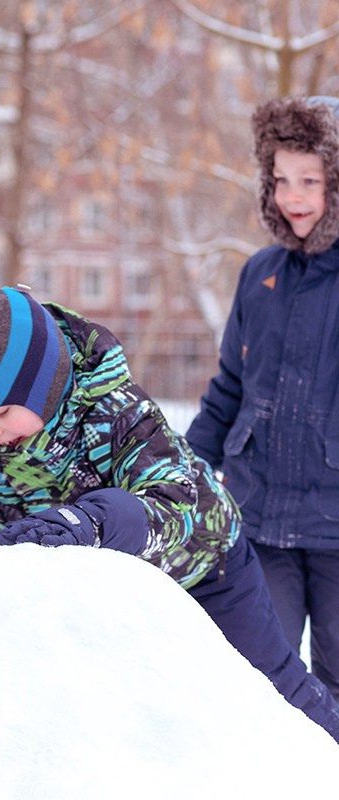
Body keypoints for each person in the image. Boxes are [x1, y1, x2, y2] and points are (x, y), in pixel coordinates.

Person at [0, 285, 339, 743]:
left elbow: (174, 500)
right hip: (121, 595)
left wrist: (94, 520)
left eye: (1, 411)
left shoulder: (121, 414)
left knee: (270, 689)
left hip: (208, 572)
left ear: (44, 386)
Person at [186, 96, 339, 705]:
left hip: (335, 528)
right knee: (257, 682)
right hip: (260, 523)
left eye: (310, 180)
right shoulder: (260, 275)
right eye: (281, 180)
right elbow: (229, 387)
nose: (293, 196)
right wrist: (186, 469)